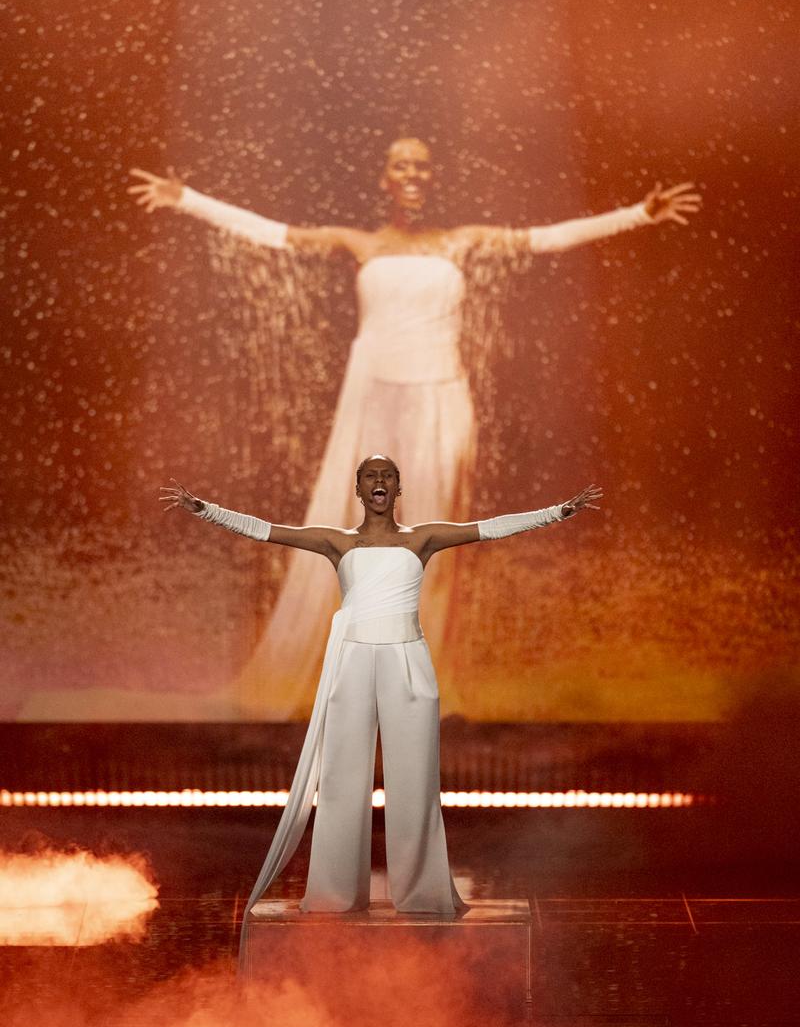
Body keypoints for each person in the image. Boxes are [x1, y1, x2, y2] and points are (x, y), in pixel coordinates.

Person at [128, 142, 699, 720]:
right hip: (373, 395)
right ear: (386, 178)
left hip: (441, 398)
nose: (412, 173)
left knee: (437, 536)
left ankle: (425, 682)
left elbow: (545, 238)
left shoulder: (463, 239)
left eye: (423, 165)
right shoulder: (362, 242)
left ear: (433, 178)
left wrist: (639, 214)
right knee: (356, 532)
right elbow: (275, 233)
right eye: (401, 164)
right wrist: (188, 200)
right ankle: (352, 673)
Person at [160, 457, 603, 923]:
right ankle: (335, 894)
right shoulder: (337, 542)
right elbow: (270, 530)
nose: (379, 482)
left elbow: (488, 528)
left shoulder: (422, 538)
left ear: (398, 488)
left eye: (387, 476)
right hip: (352, 662)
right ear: (357, 490)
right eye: (370, 476)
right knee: (340, 781)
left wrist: (558, 512)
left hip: (406, 661)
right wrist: (204, 509)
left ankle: (422, 893)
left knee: (415, 781)